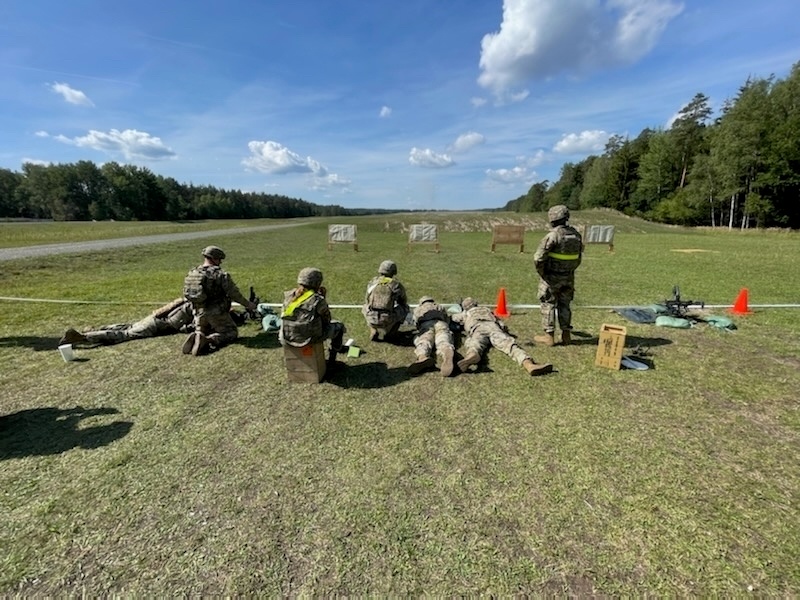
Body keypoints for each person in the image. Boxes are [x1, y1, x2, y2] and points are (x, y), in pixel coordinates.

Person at [181, 245, 257, 356]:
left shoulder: (194, 273)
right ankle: (208, 340)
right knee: (230, 332)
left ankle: (198, 334)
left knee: (204, 329)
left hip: (198, 313)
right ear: (214, 258)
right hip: (216, 313)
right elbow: (234, 294)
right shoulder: (220, 275)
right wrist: (248, 304)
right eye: (219, 259)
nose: (220, 262)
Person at [451, 298, 553, 376]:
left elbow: (453, 319)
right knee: (510, 346)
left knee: (475, 344)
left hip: (477, 328)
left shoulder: (466, 313)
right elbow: (501, 324)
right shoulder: (486, 310)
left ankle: (471, 356)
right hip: (493, 327)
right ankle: (529, 365)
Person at [533, 205, 583, 346]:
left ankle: (549, 336)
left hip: (551, 277)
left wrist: (543, 273)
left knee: (548, 303)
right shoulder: (576, 235)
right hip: (568, 277)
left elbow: (538, 258)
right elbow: (578, 257)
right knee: (565, 305)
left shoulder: (553, 235)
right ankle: (566, 335)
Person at [280, 267, 346, 368]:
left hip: (286, 337)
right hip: (308, 338)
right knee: (339, 327)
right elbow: (327, 320)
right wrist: (323, 298)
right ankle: (332, 361)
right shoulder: (317, 300)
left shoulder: (289, 296)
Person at [59, 298, 194, 347]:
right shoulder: (193, 307)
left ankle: (94, 331)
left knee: (129, 326)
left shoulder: (186, 300)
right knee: (125, 334)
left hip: (153, 317)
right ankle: (83, 337)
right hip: (156, 325)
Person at [362, 259, 410, 342]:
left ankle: (373, 329)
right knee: (405, 308)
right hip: (387, 318)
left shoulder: (373, 282)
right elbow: (403, 300)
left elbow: (367, 299)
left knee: (364, 307)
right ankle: (391, 333)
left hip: (371, 317)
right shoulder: (396, 285)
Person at [408, 296, 456, 377]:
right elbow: (447, 318)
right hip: (441, 323)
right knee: (443, 340)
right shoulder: (439, 306)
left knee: (424, 341)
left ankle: (422, 356)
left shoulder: (418, 309)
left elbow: (416, 321)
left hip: (426, 324)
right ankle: (446, 351)